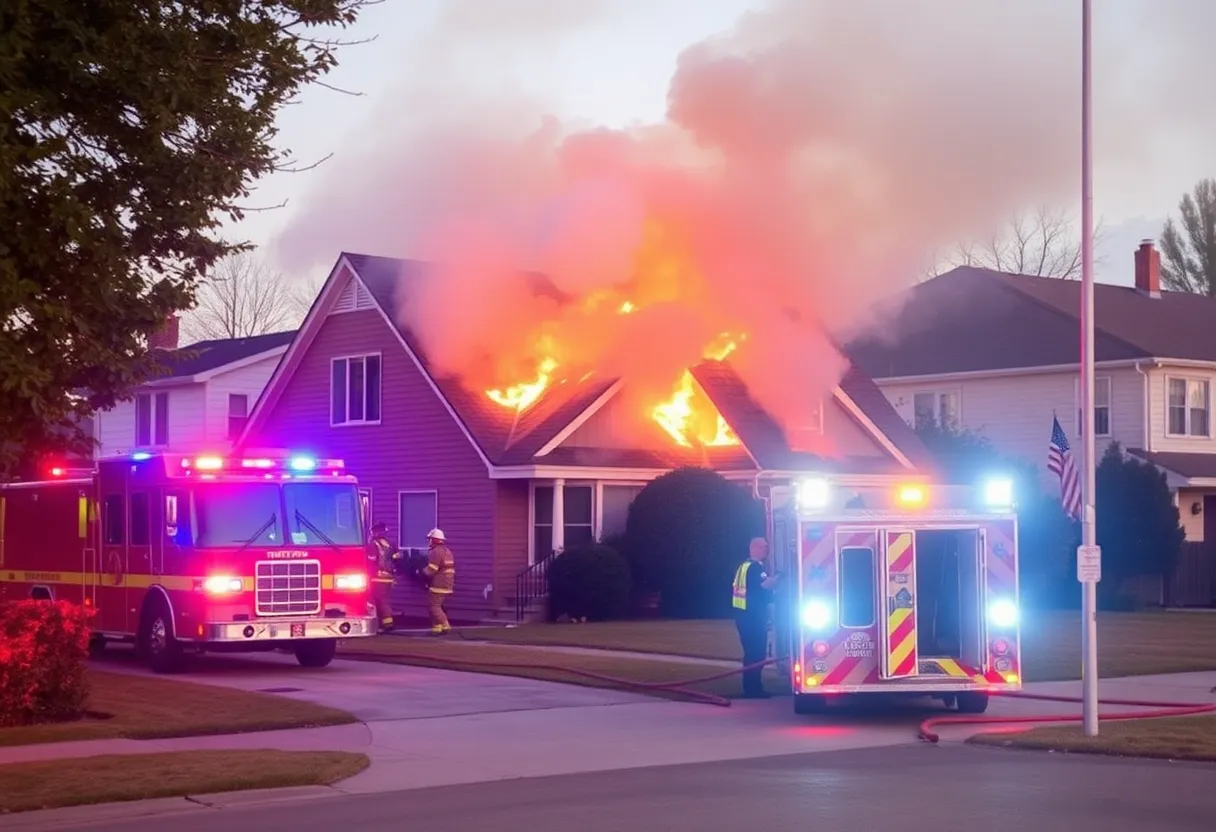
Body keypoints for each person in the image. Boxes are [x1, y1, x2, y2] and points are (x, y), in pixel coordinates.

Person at [731, 536, 779, 698]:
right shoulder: (755, 567)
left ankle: (751, 687)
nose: (767, 550)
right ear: (754, 548)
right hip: (753, 619)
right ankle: (754, 689)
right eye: (763, 547)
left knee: (751, 654)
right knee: (757, 654)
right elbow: (766, 584)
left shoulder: (743, 566)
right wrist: (780, 578)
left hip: (744, 617)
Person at [424, 528, 455, 635]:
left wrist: (421, 572)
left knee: (434, 606)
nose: (428, 541)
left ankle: (445, 625)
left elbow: (432, 569)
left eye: (430, 539)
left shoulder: (436, 551)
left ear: (434, 540)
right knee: (436, 605)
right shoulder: (447, 551)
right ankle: (437, 628)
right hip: (447, 583)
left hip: (439, 583)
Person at [368, 522, 398, 633]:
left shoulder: (373, 545)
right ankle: (385, 623)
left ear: (376, 532)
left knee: (380, 601)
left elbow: (370, 561)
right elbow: (397, 561)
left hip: (377, 577)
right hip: (389, 578)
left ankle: (386, 624)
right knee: (384, 599)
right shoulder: (391, 545)